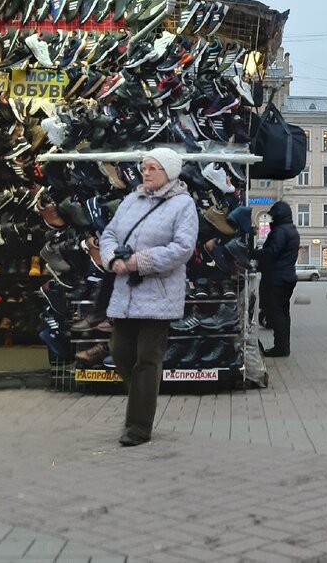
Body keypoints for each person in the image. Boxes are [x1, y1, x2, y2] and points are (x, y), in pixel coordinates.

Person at [99, 148, 198, 446]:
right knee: (120, 353)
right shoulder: (131, 200)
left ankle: (138, 427)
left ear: (169, 171)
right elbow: (109, 235)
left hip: (158, 296)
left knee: (147, 360)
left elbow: (182, 249)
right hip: (125, 293)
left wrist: (138, 261)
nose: (146, 172)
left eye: (153, 167)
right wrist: (111, 259)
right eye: (144, 167)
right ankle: (143, 398)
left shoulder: (183, 205)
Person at [257, 200, 300, 357]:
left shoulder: (281, 231)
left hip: (277, 277)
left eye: (274, 216)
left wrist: (255, 254)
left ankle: (280, 348)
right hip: (286, 276)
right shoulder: (291, 229)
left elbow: (272, 252)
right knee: (283, 313)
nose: (272, 219)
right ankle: (283, 346)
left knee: (277, 314)